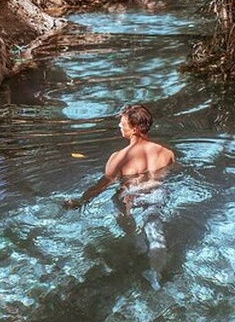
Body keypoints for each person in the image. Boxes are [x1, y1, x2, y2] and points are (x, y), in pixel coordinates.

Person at [63, 104, 174, 289]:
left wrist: (81, 201)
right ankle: (156, 273)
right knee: (156, 232)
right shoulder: (166, 153)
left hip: (131, 195)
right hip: (158, 193)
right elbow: (169, 176)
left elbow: (101, 185)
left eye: (123, 124)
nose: (119, 127)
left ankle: (139, 246)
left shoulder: (119, 157)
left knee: (126, 220)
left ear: (135, 128)